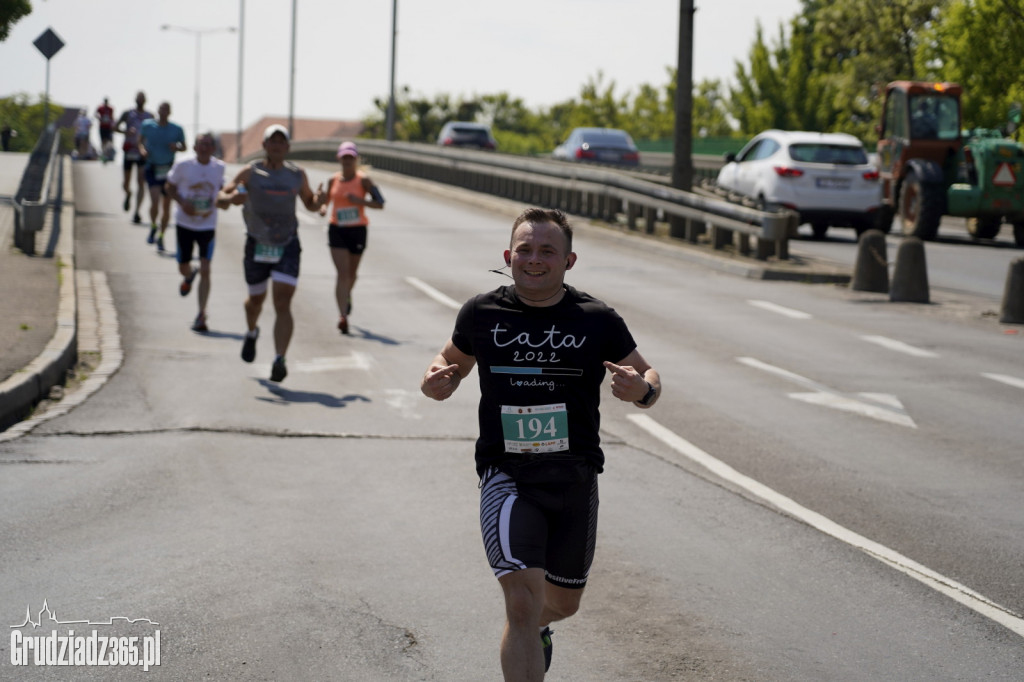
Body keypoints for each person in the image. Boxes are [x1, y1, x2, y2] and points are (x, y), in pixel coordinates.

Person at [420, 207, 661, 680]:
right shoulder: (481, 313)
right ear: (509, 256)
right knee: (522, 605)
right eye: (525, 250)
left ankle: (539, 629)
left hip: (574, 477)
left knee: (561, 604)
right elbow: (446, 363)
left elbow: (648, 375)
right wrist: (434, 383)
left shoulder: (596, 319)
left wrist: (643, 391)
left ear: (568, 261)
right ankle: (530, 630)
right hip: (507, 477)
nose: (534, 260)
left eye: (547, 251)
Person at [218, 124, 325, 383]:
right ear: (264, 146)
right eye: (272, 141)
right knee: (255, 301)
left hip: (287, 244)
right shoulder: (251, 172)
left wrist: (319, 201)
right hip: (257, 243)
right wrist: (230, 199)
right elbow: (221, 196)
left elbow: (310, 203)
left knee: (282, 303)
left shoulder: (297, 175)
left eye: (281, 142)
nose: (277, 146)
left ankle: (279, 359)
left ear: (288, 148)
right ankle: (252, 331)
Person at [317, 141, 385, 334]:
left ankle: (346, 295)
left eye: (351, 157)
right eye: (344, 157)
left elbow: (380, 203)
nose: (347, 160)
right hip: (337, 228)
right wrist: (322, 208)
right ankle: (343, 316)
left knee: (352, 274)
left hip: (358, 230)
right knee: (342, 273)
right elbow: (326, 203)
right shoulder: (333, 180)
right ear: (339, 158)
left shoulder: (364, 181)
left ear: (356, 159)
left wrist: (360, 201)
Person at [166, 132, 226, 332]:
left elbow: (223, 190)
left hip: (207, 225)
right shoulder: (183, 165)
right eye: (201, 144)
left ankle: (201, 314)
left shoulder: (219, 168)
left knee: (206, 268)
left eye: (208, 144)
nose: (204, 148)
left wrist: (223, 199)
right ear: (194, 147)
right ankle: (189, 274)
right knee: (183, 266)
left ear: (213, 148)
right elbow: (170, 187)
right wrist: (183, 203)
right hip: (185, 223)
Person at [139, 102, 186, 252]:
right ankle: (153, 225)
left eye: (166, 109)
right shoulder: (147, 125)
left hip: (169, 169)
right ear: (158, 111)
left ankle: (161, 235)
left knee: (167, 206)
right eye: (161, 109)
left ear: (170, 112)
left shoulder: (177, 129)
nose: (163, 112)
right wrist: (142, 150)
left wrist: (176, 147)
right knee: (154, 201)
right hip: (152, 167)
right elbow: (140, 140)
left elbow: (184, 146)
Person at [115, 91, 154, 224]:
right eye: (138, 98)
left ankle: (137, 211)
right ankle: (128, 193)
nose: (140, 101)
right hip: (129, 150)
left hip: (142, 152)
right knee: (126, 182)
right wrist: (126, 131)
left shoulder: (150, 116)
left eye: (142, 99)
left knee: (141, 181)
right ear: (135, 99)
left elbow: (155, 131)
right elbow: (115, 127)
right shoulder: (128, 113)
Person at [95, 97, 115, 163]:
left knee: (108, 141)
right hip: (102, 127)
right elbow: (95, 114)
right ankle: (103, 154)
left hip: (108, 127)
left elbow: (112, 117)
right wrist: (99, 119)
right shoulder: (100, 108)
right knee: (103, 141)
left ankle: (106, 153)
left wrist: (113, 124)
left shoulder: (110, 109)